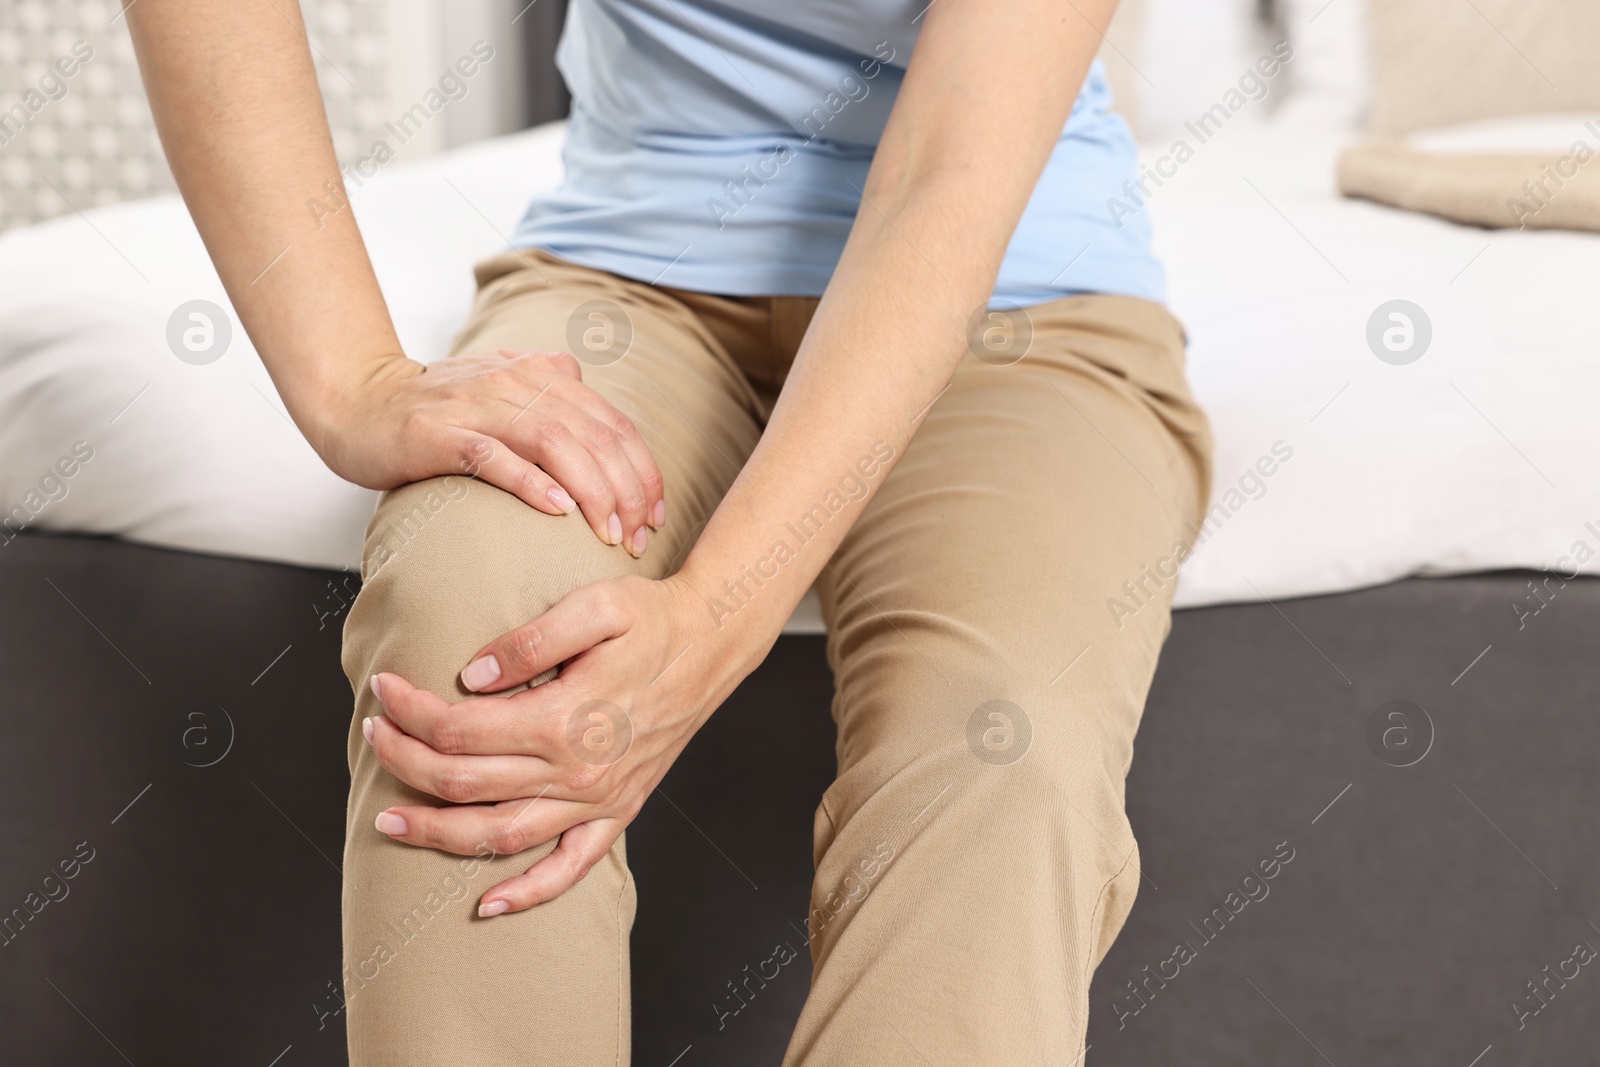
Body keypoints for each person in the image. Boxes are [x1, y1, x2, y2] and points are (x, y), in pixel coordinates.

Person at [128, 0, 1211, 1062]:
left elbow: (947, 168)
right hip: (630, 276)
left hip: (1015, 301)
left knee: (999, 737)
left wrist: (709, 622)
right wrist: (352, 380)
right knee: (478, 633)